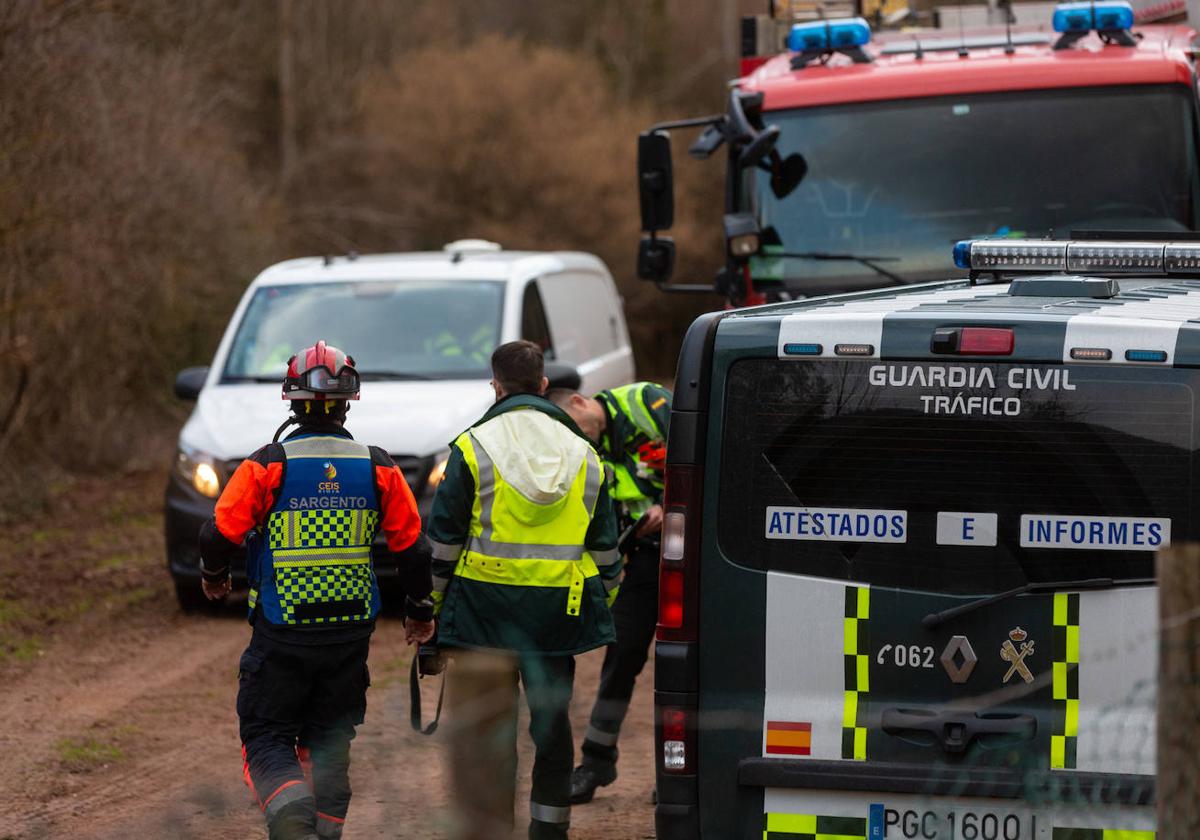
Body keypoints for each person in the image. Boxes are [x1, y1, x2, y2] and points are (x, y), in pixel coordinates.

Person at [198, 340, 436, 840]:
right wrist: (419, 611)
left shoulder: (268, 464)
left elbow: (217, 535)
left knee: (267, 734)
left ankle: (293, 823)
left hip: (282, 634)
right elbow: (413, 550)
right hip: (349, 638)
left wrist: (215, 577)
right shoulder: (379, 467)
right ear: (349, 401)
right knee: (331, 741)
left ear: (291, 401)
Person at [426, 339, 622, 840]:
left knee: (490, 733)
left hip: (481, 619)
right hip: (556, 617)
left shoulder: (472, 448)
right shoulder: (586, 455)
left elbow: (444, 544)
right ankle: (548, 831)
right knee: (552, 732)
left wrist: (434, 613)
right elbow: (605, 554)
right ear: (542, 386)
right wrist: (603, 602)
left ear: (495, 386)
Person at [546, 382, 671, 804]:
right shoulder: (587, 449)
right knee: (620, 657)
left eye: (575, 426)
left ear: (580, 402)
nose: (577, 438)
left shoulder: (648, 403)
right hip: (641, 557)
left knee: (692, 667)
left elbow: (713, 457)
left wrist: (672, 505)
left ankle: (681, 771)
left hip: (697, 553)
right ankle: (597, 762)